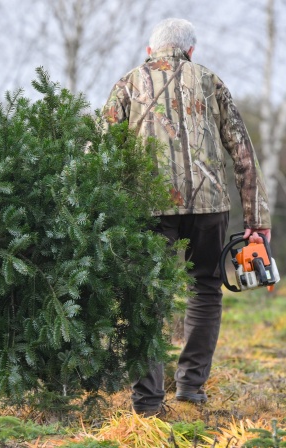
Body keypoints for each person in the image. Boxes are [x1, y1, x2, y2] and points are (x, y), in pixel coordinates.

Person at [101, 18, 271, 417]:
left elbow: (102, 152)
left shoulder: (127, 83)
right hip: (209, 206)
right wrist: (257, 219)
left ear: (150, 51)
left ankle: (147, 402)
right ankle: (191, 388)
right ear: (191, 51)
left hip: (147, 207)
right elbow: (243, 154)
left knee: (144, 298)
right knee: (206, 290)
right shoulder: (211, 81)